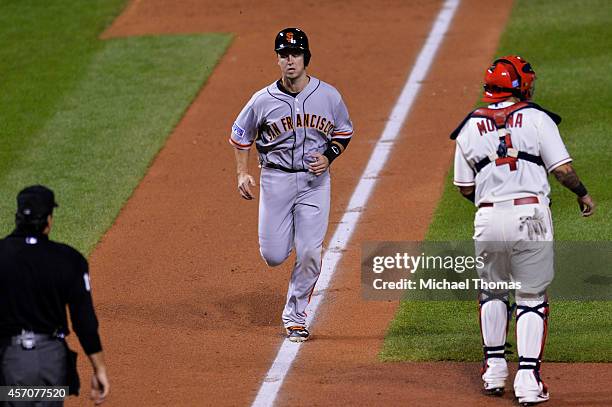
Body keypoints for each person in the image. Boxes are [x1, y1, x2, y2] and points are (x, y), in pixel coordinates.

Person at [450, 55, 595, 406]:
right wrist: (582, 193)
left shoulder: (469, 125)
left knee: (492, 291)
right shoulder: (537, 118)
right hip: (529, 215)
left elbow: (464, 186)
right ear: (521, 85)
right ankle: (528, 382)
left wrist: (493, 201)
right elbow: (562, 171)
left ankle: (494, 372)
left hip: (486, 218)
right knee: (532, 297)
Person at [229, 28, 353, 342]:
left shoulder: (328, 96)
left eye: (295, 53)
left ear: (305, 57)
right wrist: (242, 173)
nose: (290, 60)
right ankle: (289, 244)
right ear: (278, 60)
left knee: (311, 251)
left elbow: (343, 132)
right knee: (273, 254)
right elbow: (240, 136)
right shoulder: (262, 100)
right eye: (284, 55)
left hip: (314, 183)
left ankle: (295, 316)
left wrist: (329, 156)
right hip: (276, 180)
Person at [0, 185, 110, 406]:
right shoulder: (69, 259)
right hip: (51, 362)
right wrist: (99, 368)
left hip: (10, 363)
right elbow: (84, 321)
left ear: (17, 217)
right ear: (49, 221)